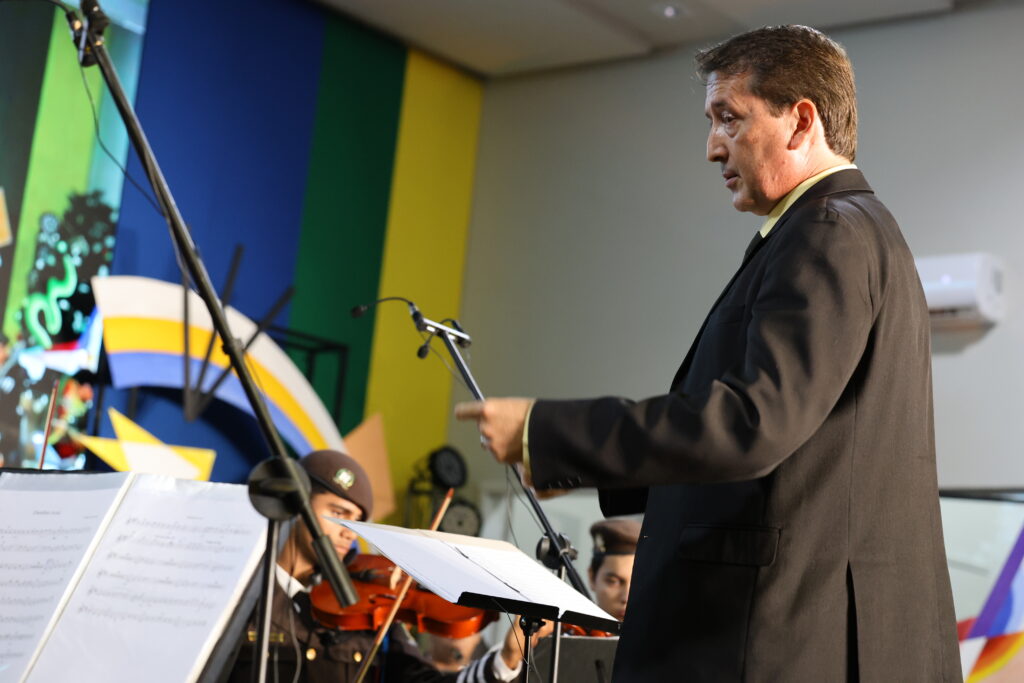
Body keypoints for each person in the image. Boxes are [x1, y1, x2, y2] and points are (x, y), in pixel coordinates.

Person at [456, 25, 961, 682]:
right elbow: (796, 450)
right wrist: (590, 469)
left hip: (776, 641)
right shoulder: (849, 229)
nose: (712, 146)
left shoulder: (825, 233)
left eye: (729, 117)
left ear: (800, 121)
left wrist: (548, 431)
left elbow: (752, 423)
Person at [226, 449, 532, 682]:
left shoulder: (369, 608)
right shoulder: (240, 594)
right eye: (338, 513)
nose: (349, 532)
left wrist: (504, 661)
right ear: (295, 504)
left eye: (356, 521)